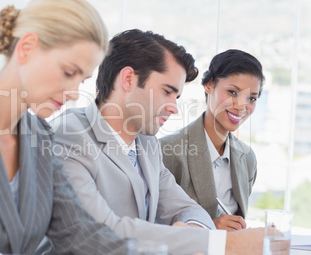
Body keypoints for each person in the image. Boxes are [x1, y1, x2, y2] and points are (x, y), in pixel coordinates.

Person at [0, 0, 127, 254]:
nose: (75, 93)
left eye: (82, 80)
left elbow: (75, 230)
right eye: (68, 72)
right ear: (26, 47)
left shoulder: (40, 134)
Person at [51, 29, 269, 255]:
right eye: (167, 92)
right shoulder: (70, 136)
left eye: (177, 97)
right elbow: (99, 231)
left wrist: (193, 229)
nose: (174, 107)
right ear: (128, 79)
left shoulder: (146, 143)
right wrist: (222, 244)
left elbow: (187, 209)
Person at [160, 49, 264, 231]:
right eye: (233, 92)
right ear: (209, 85)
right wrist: (208, 227)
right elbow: (152, 223)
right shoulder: (168, 151)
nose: (241, 106)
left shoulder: (247, 158)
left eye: (251, 98)